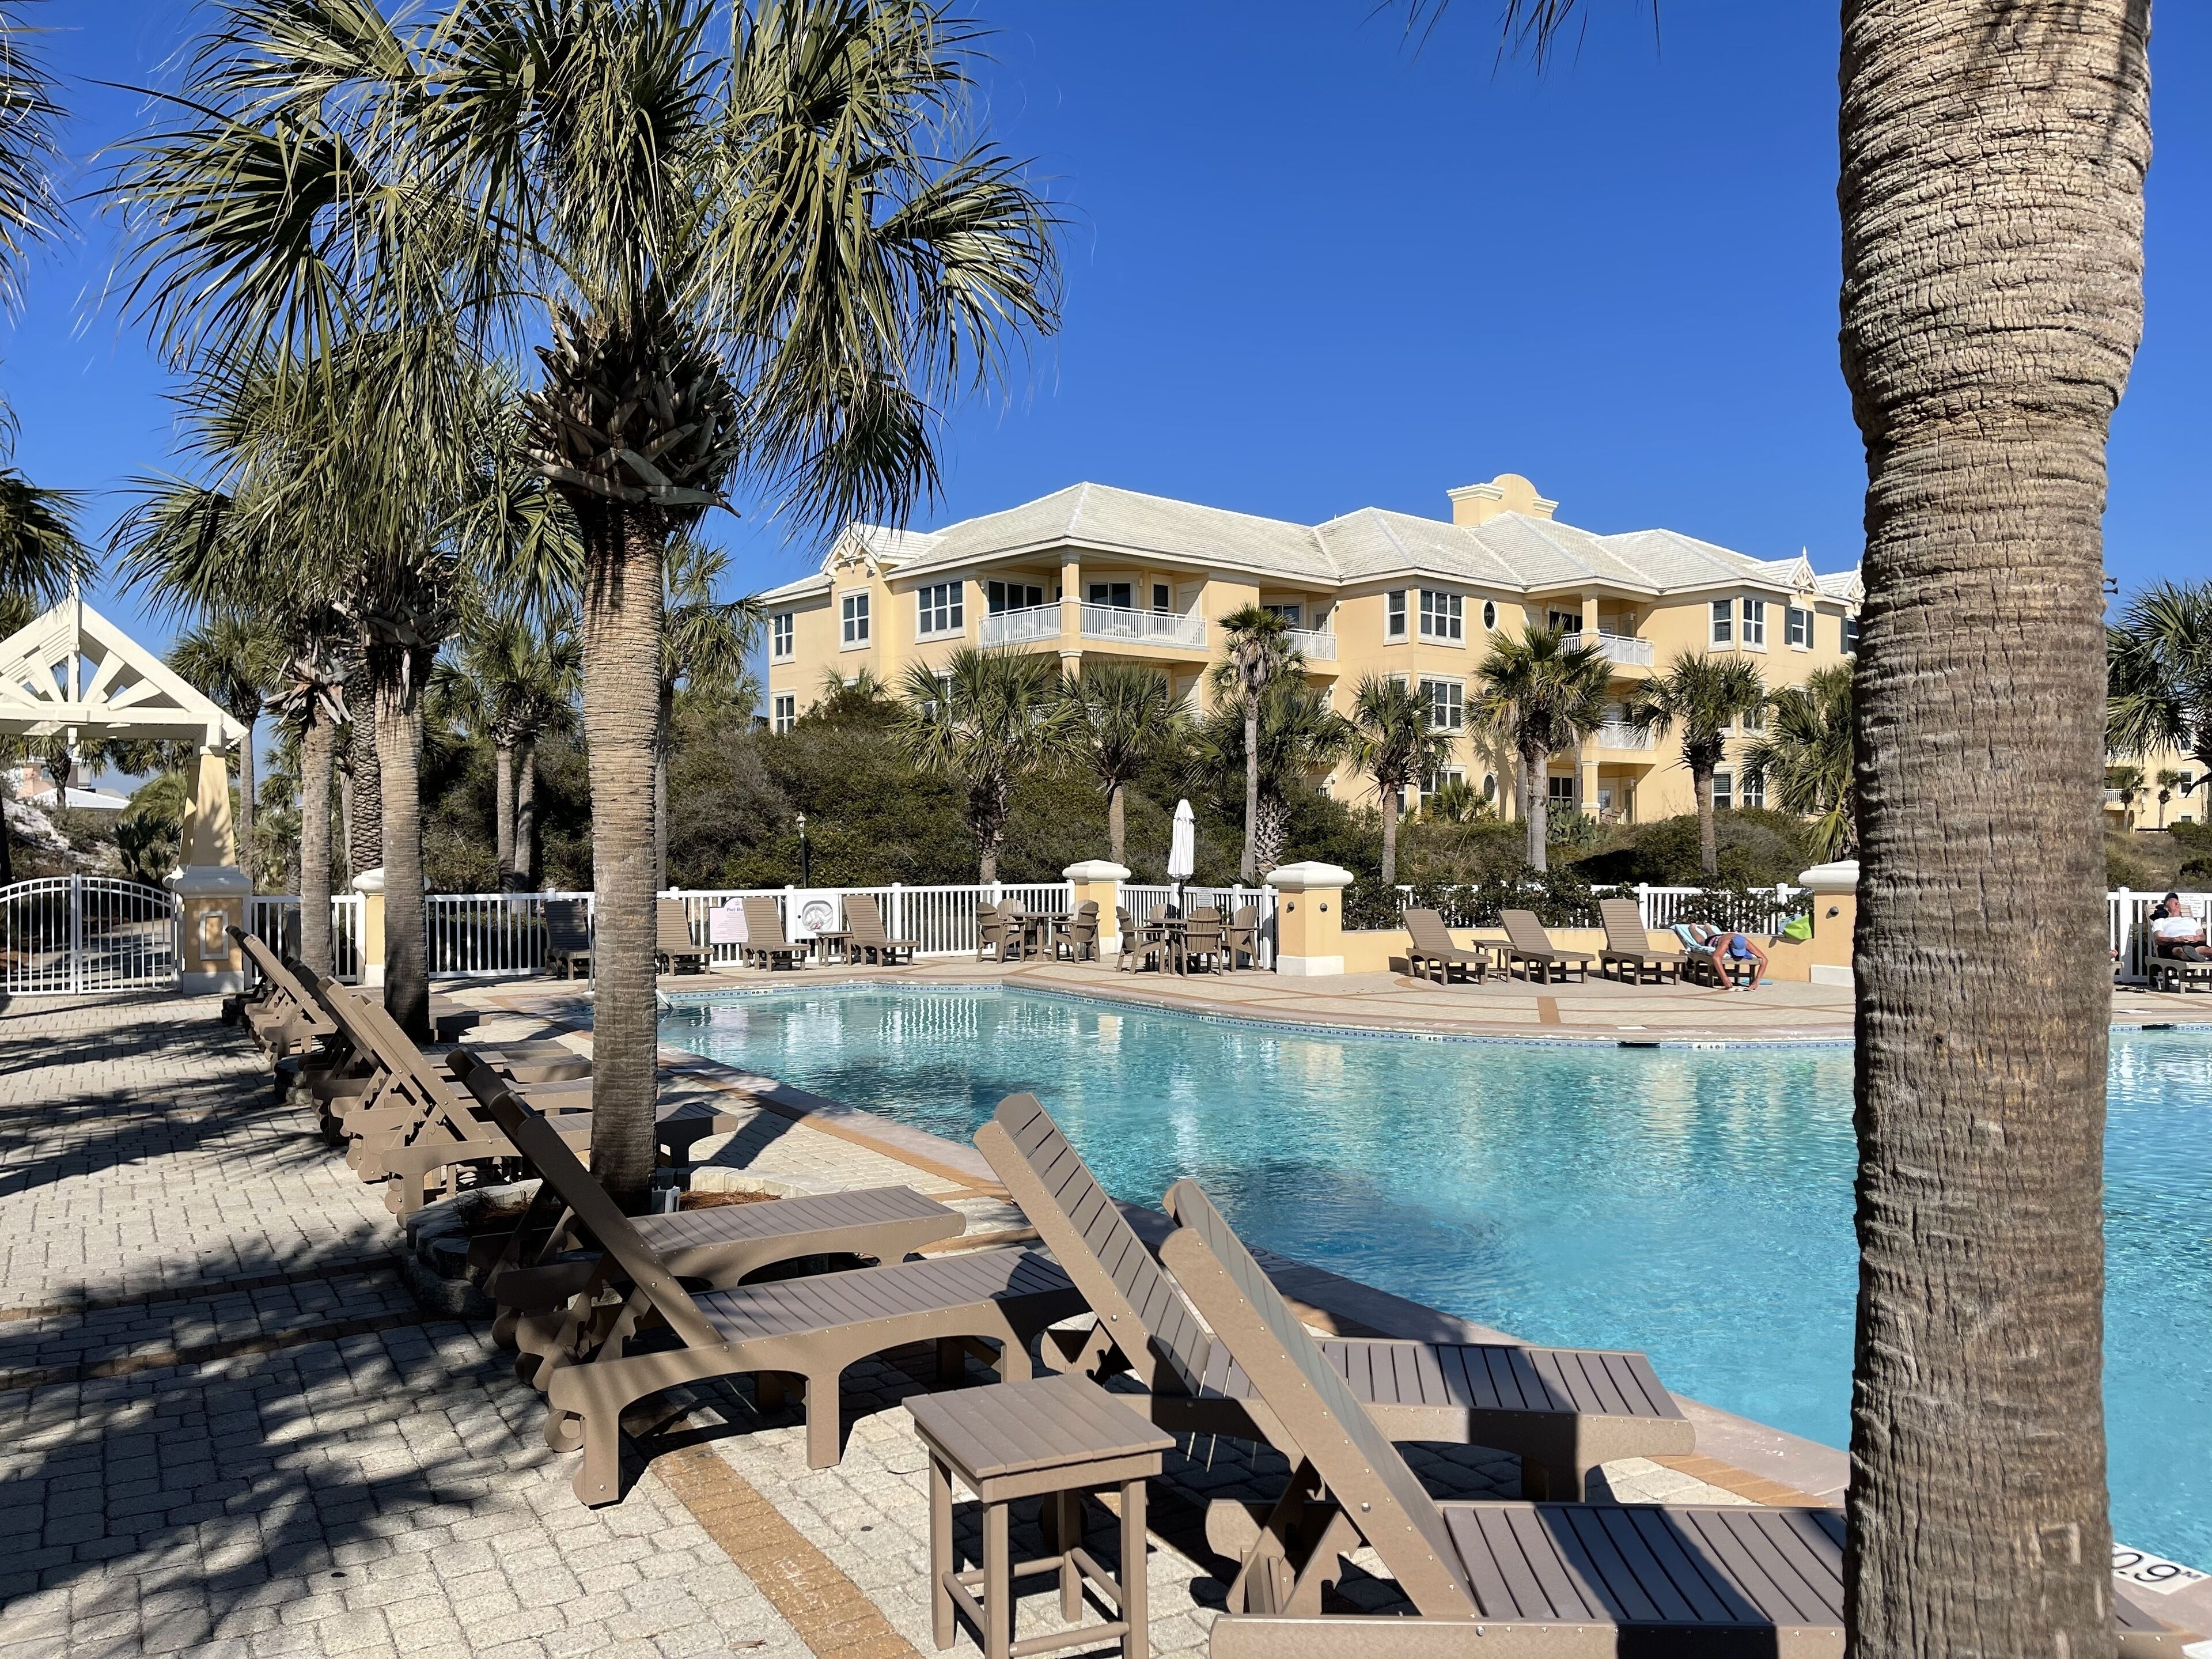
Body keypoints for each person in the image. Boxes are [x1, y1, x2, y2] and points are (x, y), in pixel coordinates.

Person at [2150, 893, 2208, 962]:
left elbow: (2203, 937)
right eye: (2174, 903)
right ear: (2166, 907)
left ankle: (2193, 954)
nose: (2177, 904)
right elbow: (2158, 939)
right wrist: (2176, 939)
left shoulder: (2191, 920)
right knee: (2179, 950)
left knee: (2205, 949)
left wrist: (2195, 938)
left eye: (2178, 903)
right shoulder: (2160, 921)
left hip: (2194, 943)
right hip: (2174, 944)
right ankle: (2191, 954)